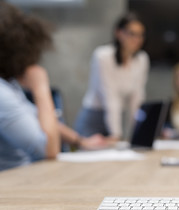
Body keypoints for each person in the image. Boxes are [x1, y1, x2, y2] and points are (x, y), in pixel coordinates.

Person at [0, 2, 108, 171]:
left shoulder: (9, 85)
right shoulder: (2, 93)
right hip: (14, 187)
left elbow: (35, 118)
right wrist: (41, 87)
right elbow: (49, 150)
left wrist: (80, 141)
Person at [75, 13, 149, 141]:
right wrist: (116, 135)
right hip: (94, 119)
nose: (137, 39)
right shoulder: (103, 56)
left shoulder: (141, 59)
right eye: (132, 34)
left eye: (140, 35)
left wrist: (138, 134)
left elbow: (136, 99)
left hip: (116, 116)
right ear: (119, 33)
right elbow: (110, 97)